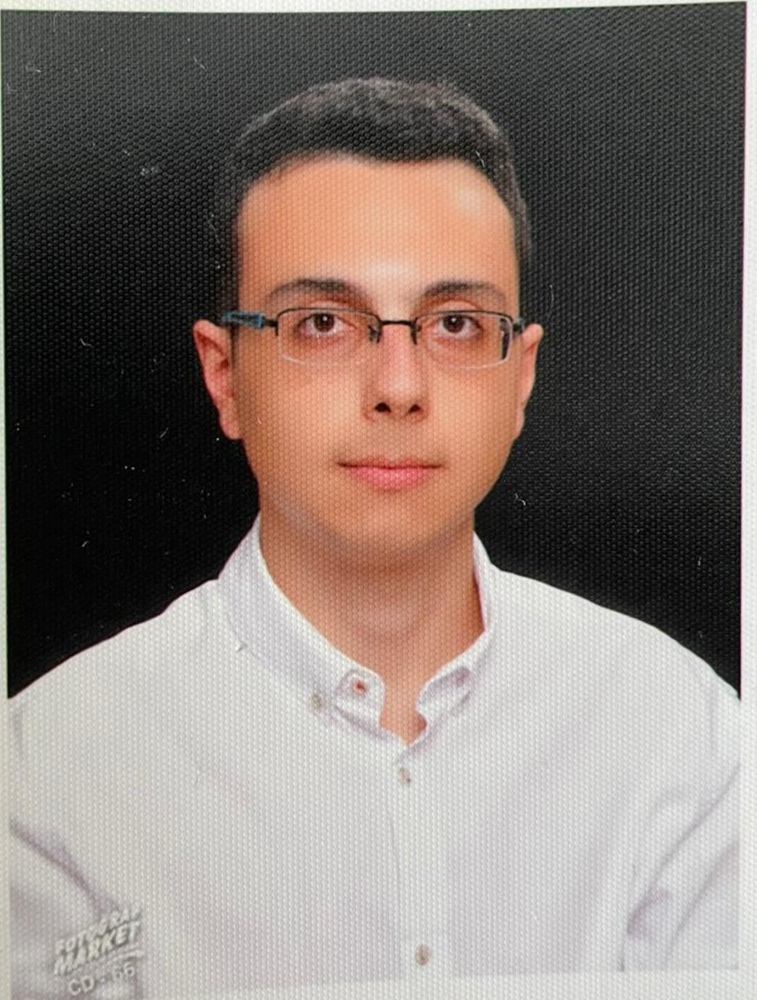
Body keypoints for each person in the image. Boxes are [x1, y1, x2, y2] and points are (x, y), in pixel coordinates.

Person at [9, 78, 738, 998]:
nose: (398, 387)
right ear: (225, 375)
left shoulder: (681, 733)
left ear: (519, 377)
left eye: (456, 324)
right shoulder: (46, 774)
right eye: (321, 323)